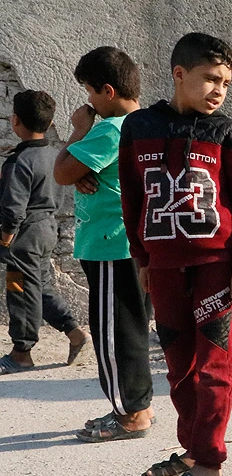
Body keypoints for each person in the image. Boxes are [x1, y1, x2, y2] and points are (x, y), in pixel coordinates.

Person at [119, 33, 232, 476]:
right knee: (179, 367)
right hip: (162, 268)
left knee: (213, 367)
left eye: (225, 82)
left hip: (215, 269)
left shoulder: (227, 133)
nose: (219, 90)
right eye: (209, 79)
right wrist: (142, 258)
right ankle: (190, 449)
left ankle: (209, 465)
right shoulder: (138, 127)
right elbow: (133, 197)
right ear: (180, 75)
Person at [54, 47, 156, 442]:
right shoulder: (144, 123)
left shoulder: (109, 129)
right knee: (131, 329)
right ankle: (138, 406)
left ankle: (130, 415)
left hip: (110, 245)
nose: (88, 102)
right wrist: (83, 170)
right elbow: (82, 172)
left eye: (90, 92)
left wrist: (78, 131)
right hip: (134, 245)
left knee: (114, 333)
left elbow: (62, 172)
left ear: (108, 91)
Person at [0, 90, 89, 374]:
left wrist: (5, 238)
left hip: (23, 235)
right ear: (51, 123)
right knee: (41, 287)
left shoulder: (18, 162)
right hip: (47, 229)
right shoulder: (55, 155)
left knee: (20, 289)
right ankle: (76, 335)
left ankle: (21, 353)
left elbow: (13, 209)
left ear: (15, 121)